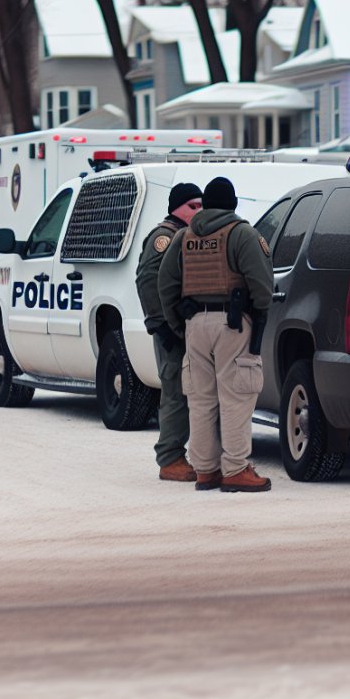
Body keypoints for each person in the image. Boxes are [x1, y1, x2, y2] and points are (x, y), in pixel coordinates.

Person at [158, 176, 274, 493]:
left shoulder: (183, 237)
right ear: (233, 203)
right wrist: (259, 313)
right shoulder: (242, 234)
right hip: (234, 323)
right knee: (236, 396)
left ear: (206, 205)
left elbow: (164, 284)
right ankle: (235, 469)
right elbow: (262, 283)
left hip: (194, 324)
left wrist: (178, 324)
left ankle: (206, 470)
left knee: (201, 399)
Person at [134, 182, 202, 483]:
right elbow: (147, 280)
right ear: (176, 207)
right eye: (193, 206)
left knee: (186, 390)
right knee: (175, 391)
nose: (198, 211)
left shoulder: (185, 235)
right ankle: (170, 458)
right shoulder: (164, 237)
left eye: (201, 206)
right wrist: (161, 325)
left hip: (181, 327)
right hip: (169, 330)